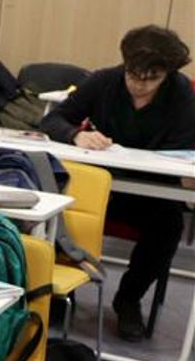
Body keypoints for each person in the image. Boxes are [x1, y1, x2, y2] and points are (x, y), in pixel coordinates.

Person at [40, 25, 195, 341]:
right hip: (98, 186)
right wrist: (76, 134)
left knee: (168, 226)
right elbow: (52, 120)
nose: (139, 84)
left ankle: (128, 299)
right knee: (58, 209)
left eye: (151, 79)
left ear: (166, 74)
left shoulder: (181, 94)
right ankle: (61, 290)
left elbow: (184, 150)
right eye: (133, 75)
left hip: (149, 192)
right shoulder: (104, 81)